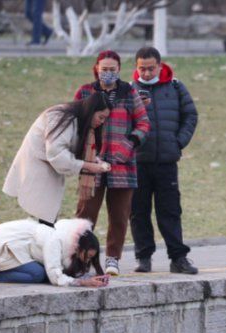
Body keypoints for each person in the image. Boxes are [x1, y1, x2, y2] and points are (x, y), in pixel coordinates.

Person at [74, 50, 150, 277]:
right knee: (85, 215)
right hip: (91, 163)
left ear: (119, 70)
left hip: (122, 164)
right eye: (104, 69)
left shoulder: (130, 92)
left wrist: (127, 146)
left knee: (119, 215)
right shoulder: (85, 91)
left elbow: (143, 124)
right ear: (97, 68)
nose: (108, 73)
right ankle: (80, 258)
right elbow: (75, 121)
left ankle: (112, 259)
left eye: (112, 70)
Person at [130, 46, 199, 275]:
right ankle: (143, 257)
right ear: (136, 67)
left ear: (159, 65)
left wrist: (178, 142)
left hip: (167, 161)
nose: (147, 73)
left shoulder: (175, 87)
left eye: (151, 68)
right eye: (142, 69)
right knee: (138, 211)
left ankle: (178, 258)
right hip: (138, 161)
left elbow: (191, 115)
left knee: (170, 211)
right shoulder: (129, 90)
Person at [3, 94, 113, 226]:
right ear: (91, 111)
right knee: (43, 219)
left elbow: (70, 148)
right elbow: (56, 152)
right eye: (101, 117)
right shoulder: (61, 116)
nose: (102, 122)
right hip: (39, 168)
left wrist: (93, 161)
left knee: (46, 218)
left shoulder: (75, 119)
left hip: (48, 169)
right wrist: (88, 165)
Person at [0, 218, 108, 287]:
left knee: (40, 272)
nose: (87, 261)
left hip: (6, 244)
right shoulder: (56, 240)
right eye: (88, 256)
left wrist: (87, 277)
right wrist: (83, 282)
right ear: (80, 248)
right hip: (2, 246)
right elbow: (55, 277)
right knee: (38, 274)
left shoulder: (65, 239)